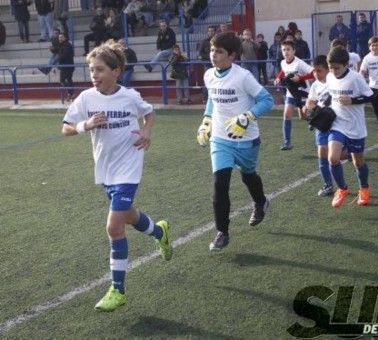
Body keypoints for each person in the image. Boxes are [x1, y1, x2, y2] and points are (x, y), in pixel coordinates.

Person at [61, 40, 173, 312]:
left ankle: (118, 289)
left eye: (99, 70)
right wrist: (85, 125)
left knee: (114, 226)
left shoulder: (130, 96)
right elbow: (65, 127)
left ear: (116, 71)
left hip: (129, 168)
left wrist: (146, 132)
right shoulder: (86, 99)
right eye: (91, 70)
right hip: (106, 171)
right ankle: (159, 232)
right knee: (129, 215)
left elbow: (149, 113)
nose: (94, 75)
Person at [196, 31, 274, 251]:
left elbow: (266, 100)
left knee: (248, 176)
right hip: (220, 139)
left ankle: (261, 202)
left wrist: (247, 117)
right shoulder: (209, 75)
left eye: (219, 51)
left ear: (232, 55)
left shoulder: (243, 77)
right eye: (212, 50)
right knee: (220, 184)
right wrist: (207, 121)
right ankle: (222, 231)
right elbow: (212, 97)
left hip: (247, 139)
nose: (213, 55)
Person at [326, 46, 374, 208]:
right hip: (337, 124)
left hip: (355, 126)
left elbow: (371, 96)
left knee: (358, 162)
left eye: (337, 68)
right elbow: (330, 96)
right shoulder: (329, 77)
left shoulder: (356, 78)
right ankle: (342, 189)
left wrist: (352, 100)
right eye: (331, 67)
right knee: (332, 158)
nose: (333, 71)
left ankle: (364, 188)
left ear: (346, 64)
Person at [302, 55, 334, 197]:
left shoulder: (335, 81)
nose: (316, 74)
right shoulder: (315, 85)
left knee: (335, 156)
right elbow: (311, 101)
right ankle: (328, 185)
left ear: (327, 69)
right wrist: (307, 108)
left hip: (337, 122)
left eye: (319, 70)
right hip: (322, 123)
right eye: (314, 71)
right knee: (322, 153)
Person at [273, 40, 314, 150]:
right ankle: (287, 142)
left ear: (294, 51)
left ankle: (314, 119)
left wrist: (300, 78)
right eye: (283, 50)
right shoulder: (283, 62)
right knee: (286, 115)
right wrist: (278, 77)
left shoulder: (299, 63)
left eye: (288, 49)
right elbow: (283, 71)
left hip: (303, 92)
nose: (286, 52)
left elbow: (313, 73)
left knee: (303, 116)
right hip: (291, 93)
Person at [198, 25, 216, 101]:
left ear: (214, 32)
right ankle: (205, 98)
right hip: (208, 64)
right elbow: (200, 53)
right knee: (207, 81)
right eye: (209, 31)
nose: (210, 32)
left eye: (212, 31)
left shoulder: (218, 41)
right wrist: (210, 56)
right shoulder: (204, 42)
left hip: (218, 64)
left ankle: (216, 98)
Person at [58, 32, 75, 102]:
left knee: (63, 80)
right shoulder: (64, 45)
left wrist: (59, 59)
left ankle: (71, 93)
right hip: (67, 66)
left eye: (61, 37)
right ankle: (71, 94)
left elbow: (64, 55)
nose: (60, 39)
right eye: (59, 37)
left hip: (67, 66)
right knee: (68, 80)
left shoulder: (66, 45)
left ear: (65, 38)